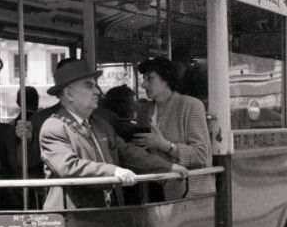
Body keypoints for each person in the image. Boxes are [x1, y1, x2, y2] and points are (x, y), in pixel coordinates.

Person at [39, 59, 188, 210]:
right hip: (72, 218)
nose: (98, 91)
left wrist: (168, 167)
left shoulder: (100, 125)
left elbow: (128, 153)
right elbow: (69, 167)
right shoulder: (54, 127)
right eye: (89, 85)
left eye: (95, 84)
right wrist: (114, 171)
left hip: (107, 213)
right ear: (69, 93)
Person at [134, 56, 212, 199]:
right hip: (152, 190)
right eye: (143, 79)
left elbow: (202, 155)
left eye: (149, 79)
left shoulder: (191, 106)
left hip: (188, 191)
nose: (143, 85)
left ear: (166, 79)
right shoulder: (144, 111)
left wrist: (166, 146)